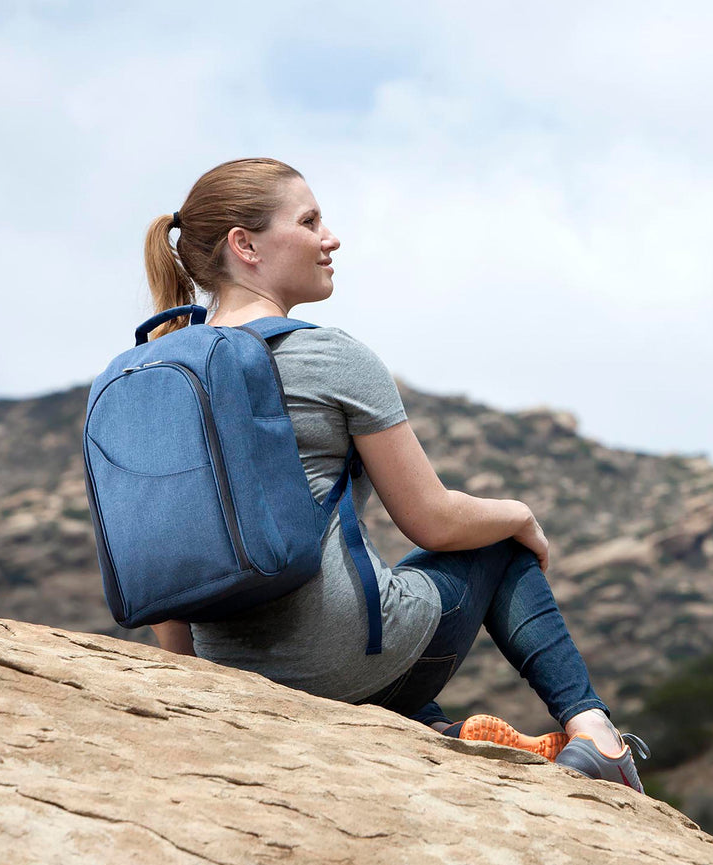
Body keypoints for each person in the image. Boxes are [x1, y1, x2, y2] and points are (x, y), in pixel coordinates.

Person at [139, 157, 646, 791]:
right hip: (346, 661)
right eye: (310, 220)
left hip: (232, 673)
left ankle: (440, 736)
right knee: (490, 541)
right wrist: (518, 514)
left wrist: (200, 682)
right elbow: (432, 521)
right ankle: (597, 736)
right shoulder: (327, 354)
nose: (332, 238)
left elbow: (162, 556)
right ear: (246, 246)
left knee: (387, 595)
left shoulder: (159, 370)